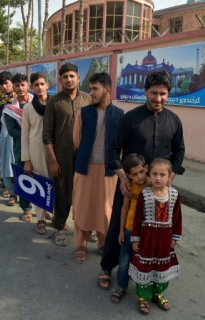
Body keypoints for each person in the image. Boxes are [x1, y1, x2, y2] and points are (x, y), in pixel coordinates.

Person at [97, 70, 185, 290]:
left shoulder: (174, 121)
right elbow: (113, 149)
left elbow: (179, 153)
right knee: (121, 226)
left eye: (163, 94)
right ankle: (107, 267)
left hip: (158, 192)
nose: (158, 98)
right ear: (145, 91)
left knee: (152, 233)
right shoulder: (131, 119)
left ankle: (147, 278)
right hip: (130, 186)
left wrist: (169, 179)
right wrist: (123, 178)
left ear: (168, 94)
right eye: (154, 93)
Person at [72, 72, 124, 262]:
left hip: (108, 172)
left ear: (107, 89)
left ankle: (103, 243)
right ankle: (81, 245)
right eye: (90, 88)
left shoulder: (119, 115)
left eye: (95, 88)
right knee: (82, 208)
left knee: (105, 211)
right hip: (85, 168)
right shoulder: (83, 113)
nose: (91, 92)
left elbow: (121, 145)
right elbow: (77, 141)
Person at [43, 63, 92, 246]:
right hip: (61, 155)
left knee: (85, 192)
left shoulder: (88, 99)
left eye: (72, 76)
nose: (69, 79)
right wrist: (53, 161)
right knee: (62, 191)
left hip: (84, 154)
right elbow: (47, 135)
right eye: (65, 77)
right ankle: (60, 226)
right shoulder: (54, 102)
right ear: (60, 80)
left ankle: (86, 227)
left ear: (78, 78)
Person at [129, 158, 182, 314]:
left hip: (165, 240)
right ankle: (143, 297)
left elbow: (177, 218)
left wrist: (175, 238)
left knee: (162, 266)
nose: (158, 178)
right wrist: (136, 238)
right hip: (147, 239)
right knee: (145, 267)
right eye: (154, 174)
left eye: (162, 174)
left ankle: (158, 293)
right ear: (149, 175)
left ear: (169, 176)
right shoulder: (145, 195)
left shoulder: (174, 195)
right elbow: (137, 219)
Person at [110, 153, 148, 303]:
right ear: (128, 175)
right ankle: (121, 287)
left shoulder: (153, 185)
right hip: (129, 229)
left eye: (141, 172)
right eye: (134, 174)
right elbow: (124, 208)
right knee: (124, 260)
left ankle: (143, 293)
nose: (139, 176)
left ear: (146, 168)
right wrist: (121, 231)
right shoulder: (129, 187)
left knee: (144, 262)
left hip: (147, 232)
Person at [22, 72, 53, 234]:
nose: (40, 87)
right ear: (32, 87)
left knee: (55, 182)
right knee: (40, 182)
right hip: (36, 149)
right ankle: (40, 218)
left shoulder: (55, 103)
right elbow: (25, 134)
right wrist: (26, 159)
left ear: (47, 85)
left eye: (42, 84)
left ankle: (52, 212)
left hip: (55, 149)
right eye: (36, 85)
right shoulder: (28, 108)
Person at [3, 73, 33, 221]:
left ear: (28, 85)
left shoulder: (38, 103)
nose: (20, 88)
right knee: (23, 175)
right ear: (13, 87)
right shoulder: (10, 109)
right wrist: (31, 134)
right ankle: (26, 209)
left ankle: (43, 208)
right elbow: (12, 130)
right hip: (21, 147)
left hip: (40, 146)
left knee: (42, 176)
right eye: (17, 85)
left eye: (23, 85)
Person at [0, 71, 17, 206]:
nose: (4, 86)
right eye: (2, 84)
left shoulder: (20, 97)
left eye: (7, 83)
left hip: (21, 136)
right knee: (6, 165)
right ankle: (12, 192)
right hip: (5, 135)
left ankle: (25, 194)